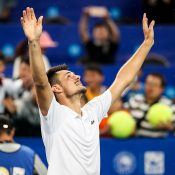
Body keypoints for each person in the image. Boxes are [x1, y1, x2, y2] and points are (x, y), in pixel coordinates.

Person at [21, 7, 154, 175]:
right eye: (69, 76)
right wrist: (33, 41)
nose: (76, 76)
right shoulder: (54, 113)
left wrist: (147, 44)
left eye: (74, 73)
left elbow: (123, 80)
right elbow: (40, 82)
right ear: (56, 88)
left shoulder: (92, 111)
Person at [124, 73, 175, 137]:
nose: (151, 87)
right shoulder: (135, 100)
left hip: (160, 143)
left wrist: (171, 127)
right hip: (137, 142)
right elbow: (122, 115)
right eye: (149, 84)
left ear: (162, 89)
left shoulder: (169, 105)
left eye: (155, 85)